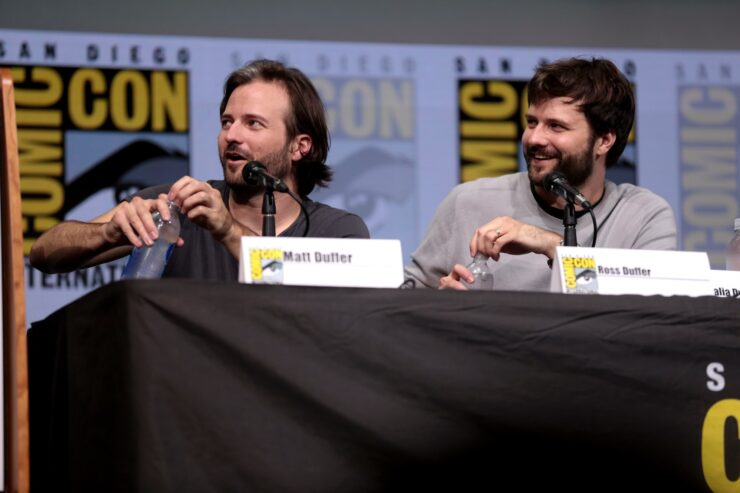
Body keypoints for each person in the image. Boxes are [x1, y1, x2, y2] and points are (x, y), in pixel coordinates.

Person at [30, 59, 370, 281]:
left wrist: (227, 230)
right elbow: (43, 253)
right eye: (227, 122)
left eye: (253, 124)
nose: (231, 135)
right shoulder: (178, 206)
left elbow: (297, 286)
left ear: (300, 146)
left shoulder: (339, 231)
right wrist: (105, 234)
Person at [404, 57, 677, 291]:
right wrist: (437, 305)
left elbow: (647, 319)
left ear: (604, 141)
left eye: (556, 126)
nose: (534, 138)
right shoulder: (468, 202)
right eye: (532, 122)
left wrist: (550, 244)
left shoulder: (643, 216)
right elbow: (399, 302)